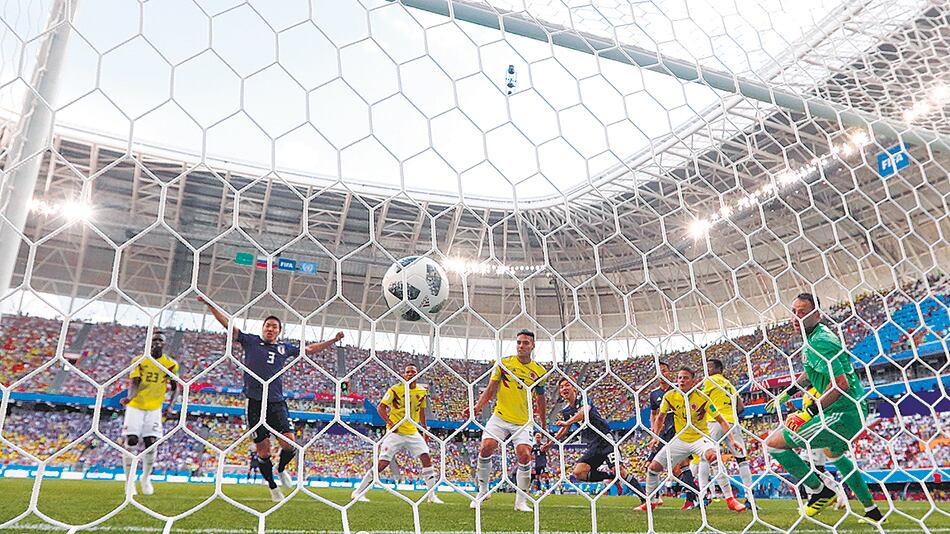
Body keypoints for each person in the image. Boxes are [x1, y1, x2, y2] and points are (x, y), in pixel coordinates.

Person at [198, 295, 343, 502]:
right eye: (267, 325)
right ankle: (273, 487)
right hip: (255, 402)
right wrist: (210, 304)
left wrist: (333, 340)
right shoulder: (250, 341)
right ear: (263, 328)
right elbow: (229, 326)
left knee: (289, 444)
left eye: (274, 326)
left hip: (276, 402)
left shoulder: (284, 348)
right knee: (263, 451)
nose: (270, 329)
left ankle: (281, 469)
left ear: (279, 331)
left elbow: (310, 349)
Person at [763, 293, 884, 523]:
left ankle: (820, 491)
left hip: (842, 412)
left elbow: (840, 384)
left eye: (802, 312)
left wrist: (807, 413)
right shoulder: (815, 338)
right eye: (794, 312)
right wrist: (787, 393)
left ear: (816, 315)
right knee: (833, 454)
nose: (796, 317)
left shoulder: (821, 341)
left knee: (773, 445)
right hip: (850, 409)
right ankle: (873, 511)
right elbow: (811, 373)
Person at [636, 367, 747, 513]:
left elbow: (721, 420)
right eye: (680, 378)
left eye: (686, 378)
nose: (682, 380)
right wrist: (655, 437)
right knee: (653, 468)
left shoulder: (702, 398)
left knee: (713, 457)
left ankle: (730, 499)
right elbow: (660, 417)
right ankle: (650, 502)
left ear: (693, 381)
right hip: (680, 439)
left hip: (700, 438)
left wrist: (732, 440)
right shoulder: (670, 396)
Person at [470, 329, 547, 512]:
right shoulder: (504, 364)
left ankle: (521, 501)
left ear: (533, 346)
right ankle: (482, 491)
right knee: (486, 447)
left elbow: (541, 399)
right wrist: (478, 407)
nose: (521, 346)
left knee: (525, 455)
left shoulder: (539, 371)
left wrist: (543, 424)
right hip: (500, 416)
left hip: (523, 421)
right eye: (519, 342)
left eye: (525, 343)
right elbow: (491, 388)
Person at [351, 364, 443, 504]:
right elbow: (381, 407)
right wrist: (390, 422)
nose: (410, 374)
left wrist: (425, 430)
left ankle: (431, 496)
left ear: (417, 374)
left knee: (426, 458)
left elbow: (421, 411)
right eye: (408, 372)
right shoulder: (395, 389)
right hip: (395, 432)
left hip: (412, 432)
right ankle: (358, 492)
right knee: (382, 464)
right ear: (404, 375)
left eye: (413, 372)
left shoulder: (421, 391)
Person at [543, 378, 641, 494]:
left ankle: (644, 498)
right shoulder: (566, 411)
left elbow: (583, 413)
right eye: (561, 387)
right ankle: (611, 477)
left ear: (574, 388)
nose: (564, 388)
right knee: (579, 472)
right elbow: (565, 429)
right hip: (593, 445)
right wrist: (550, 442)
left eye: (567, 385)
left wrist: (567, 422)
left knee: (619, 470)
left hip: (605, 440)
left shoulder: (583, 399)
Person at [120, 331, 180, 496]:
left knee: (151, 443)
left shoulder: (170, 364)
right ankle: (129, 483)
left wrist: (171, 406)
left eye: (160, 341)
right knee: (131, 440)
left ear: (164, 344)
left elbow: (176, 388)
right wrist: (129, 397)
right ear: (149, 343)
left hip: (155, 408)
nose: (157, 343)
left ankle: (145, 478)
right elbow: (135, 382)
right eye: (154, 340)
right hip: (136, 406)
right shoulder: (139, 360)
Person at [699, 358, 755, 509]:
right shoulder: (730, 384)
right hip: (732, 423)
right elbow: (741, 408)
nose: (707, 370)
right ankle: (750, 499)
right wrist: (730, 415)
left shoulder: (709, 381)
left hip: (715, 422)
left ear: (718, 369)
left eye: (709, 367)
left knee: (705, 458)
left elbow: (698, 401)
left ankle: (703, 497)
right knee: (741, 459)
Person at [646, 361, 698, 510]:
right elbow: (654, 414)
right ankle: (655, 498)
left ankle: (692, 499)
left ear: (669, 373)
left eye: (664, 370)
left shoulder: (678, 389)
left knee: (682, 465)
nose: (662, 373)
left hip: (678, 430)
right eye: (659, 371)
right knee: (651, 465)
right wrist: (654, 431)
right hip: (663, 433)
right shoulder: (654, 394)